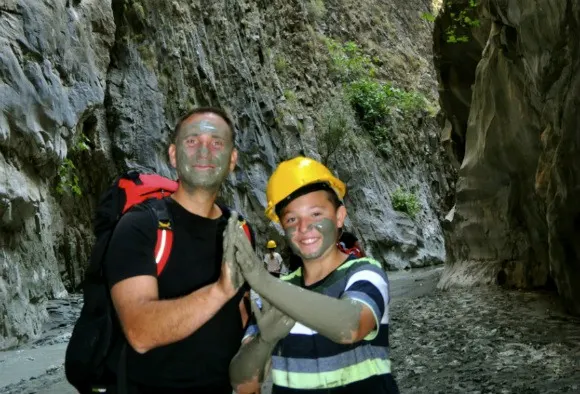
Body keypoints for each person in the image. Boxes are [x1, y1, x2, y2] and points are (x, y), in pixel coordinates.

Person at [102, 107, 253, 393]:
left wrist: (252, 357)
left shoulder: (240, 229)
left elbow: (241, 311)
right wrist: (220, 290)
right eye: (192, 141)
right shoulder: (140, 226)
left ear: (232, 159)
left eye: (217, 143)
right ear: (173, 155)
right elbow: (140, 332)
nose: (204, 151)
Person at [229, 156, 399, 394]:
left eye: (316, 214)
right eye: (291, 219)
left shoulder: (365, 273)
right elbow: (244, 385)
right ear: (283, 228)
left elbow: (352, 325)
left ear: (340, 217)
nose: (303, 227)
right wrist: (263, 342)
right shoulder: (274, 295)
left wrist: (264, 281)